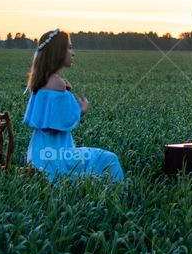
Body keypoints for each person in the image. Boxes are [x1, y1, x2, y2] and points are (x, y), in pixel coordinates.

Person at [22, 29, 124, 182]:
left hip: (39, 153)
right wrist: (81, 110)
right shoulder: (57, 83)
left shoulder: (41, 81)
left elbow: (49, 117)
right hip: (56, 156)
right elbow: (59, 123)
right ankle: (119, 192)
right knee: (109, 158)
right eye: (69, 48)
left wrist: (66, 91)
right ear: (57, 52)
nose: (73, 53)